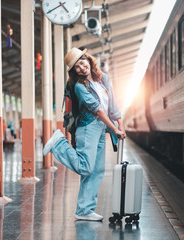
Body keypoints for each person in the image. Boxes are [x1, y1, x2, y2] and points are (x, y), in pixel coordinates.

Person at [43, 47, 126, 221]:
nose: (81, 67)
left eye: (82, 62)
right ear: (74, 72)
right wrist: (115, 129)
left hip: (102, 128)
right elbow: (98, 110)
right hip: (88, 127)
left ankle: (84, 210)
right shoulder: (80, 86)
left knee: (97, 170)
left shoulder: (104, 79)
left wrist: (120, 124)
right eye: (77, 67)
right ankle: (58, 144)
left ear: (88, 60)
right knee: (86, 167)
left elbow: (112, 105)